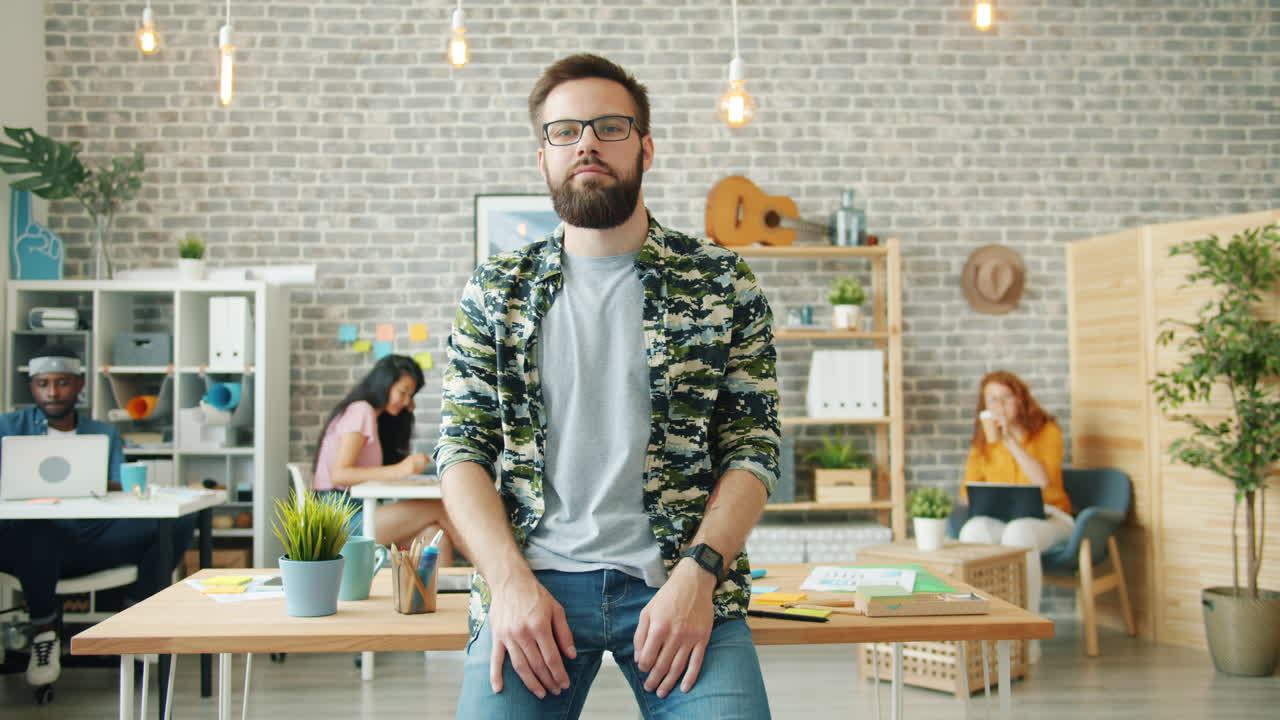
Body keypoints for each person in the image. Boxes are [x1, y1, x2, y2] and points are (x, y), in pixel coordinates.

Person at [436, 54, 780, 719]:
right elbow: (461, 451)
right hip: (534, 587)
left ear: (646, 147)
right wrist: (508, 584)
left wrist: (699, 573)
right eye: (563, 131)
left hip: (682, 582)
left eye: (609, 126)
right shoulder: (496, 291)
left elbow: (752, 446)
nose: (586, 142)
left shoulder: (719, 280)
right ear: (542, 157)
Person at [0, 344, 195, 687]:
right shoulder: (9, 429)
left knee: (176, 521)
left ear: (78, 385)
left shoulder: (103, 433)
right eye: (43, 383)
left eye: (62, 382)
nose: (53, 391)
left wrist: (101, 483)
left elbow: (119, 489)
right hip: (28, 545)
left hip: (90, 537)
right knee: (38, 530)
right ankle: (44, 633)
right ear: (32, 387)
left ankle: (137, 620)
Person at [312, 354, 459, 562]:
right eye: (403, 392)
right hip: (339, 518)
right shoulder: (361, 411)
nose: (407, 401)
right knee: (439, 507)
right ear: (385, 383)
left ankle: (431, 595)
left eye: (411, 395)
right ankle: (492, 572)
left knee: (434, 538)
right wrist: (402, 469)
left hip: (360, 510)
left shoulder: (376, 419)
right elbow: (339, 474)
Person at [959, 370, 1074, 624]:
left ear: (1020, 398)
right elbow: (967, 492)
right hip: (1003, 519)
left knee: (1019, 532)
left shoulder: (1047, 431)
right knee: (973, 531)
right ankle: (983, 623)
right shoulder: (982, 442)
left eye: (1006, 397)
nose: (999, 405)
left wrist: (1009, 441)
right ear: (984, 406)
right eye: (992, 399)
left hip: (1051, 518)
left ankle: (1025, 626)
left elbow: (1042, 481)